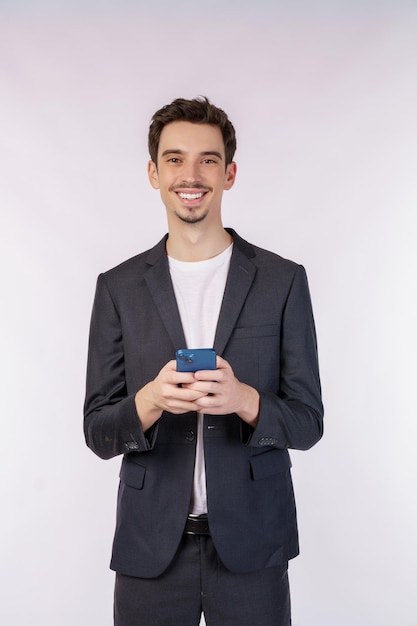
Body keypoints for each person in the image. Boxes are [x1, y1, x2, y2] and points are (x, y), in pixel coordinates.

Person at [84, 96, 324, 626]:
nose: (190, 175)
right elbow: (97, 433)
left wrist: (245, 401)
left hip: (253, 547)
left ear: (230, 173)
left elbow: (308, 424)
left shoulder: (283, 281)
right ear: (153, 172)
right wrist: (148, 401)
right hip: (151, 550)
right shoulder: (118, 288)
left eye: (208, 160)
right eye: (174, 159)